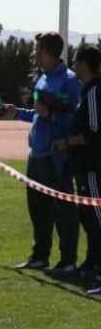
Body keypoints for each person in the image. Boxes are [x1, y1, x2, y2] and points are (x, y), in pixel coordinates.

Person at [1, 31, 82, 274]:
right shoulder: (42, 79)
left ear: (48, 52)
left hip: (56, 159)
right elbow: (38, 113)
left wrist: (51, 115)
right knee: (38, 210)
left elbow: (76, 122)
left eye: (37, 51)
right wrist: (17, 112)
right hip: (35, 156)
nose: (34, 55)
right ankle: (40, 256)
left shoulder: (69, 81)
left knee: (63, 210)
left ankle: (68, 261)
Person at [51, 45, 101, 287]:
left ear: (83, 64)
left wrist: (67, 142)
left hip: (92, 166)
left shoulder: (93, 92)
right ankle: (91, 262)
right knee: (88, 216)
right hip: (83, 165)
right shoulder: (86, 92)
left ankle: (97, 266)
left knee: (96, 215)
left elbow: (93, 133)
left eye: (76, 61)